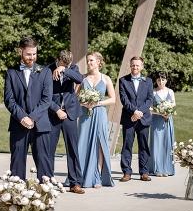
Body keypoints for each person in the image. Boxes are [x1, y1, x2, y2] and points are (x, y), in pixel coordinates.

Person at [4, 37, 53, 182]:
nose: (32, 57)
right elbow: (9, 100)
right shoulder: (11, 73)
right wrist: (23, 118)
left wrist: (32, 117)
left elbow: (47, 99)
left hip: (41, 125)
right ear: (20, 51)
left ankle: (46, 199)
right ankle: (17, 200)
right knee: (17, 164)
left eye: (34, 54)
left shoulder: (45, 72)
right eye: (28, 54)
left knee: (44, 164)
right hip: (18, 125)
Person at [48, 50, 85, 194]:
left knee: (73, 149)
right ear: (57, 60)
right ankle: (48, 181)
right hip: (53, 114)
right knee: (49, 149)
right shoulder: (47, 70)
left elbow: (79, 79)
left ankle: (75, 182)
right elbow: (44, 95)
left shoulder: (72, 69)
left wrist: (64, 69)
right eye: (63, 64)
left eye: (68, 65)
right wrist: (56, 109)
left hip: (70, 114)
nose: (67, 67)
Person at [77, 52, 116, 188]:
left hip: (99, 113)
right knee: (83, 142)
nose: (88, 63)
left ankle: (97, 177)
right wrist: (84, 103)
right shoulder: (81, 78)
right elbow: (75, 98)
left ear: (99, 62)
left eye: (91, 61)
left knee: (100, 145)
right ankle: (80, 175)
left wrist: (97, 103)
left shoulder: (106, 79)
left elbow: (113, 99)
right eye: (87, 61)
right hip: (84, 114)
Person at [119, 56, 154, 182]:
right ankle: (126, 172)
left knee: (143, 145)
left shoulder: (148, 81)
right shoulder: (123, 80)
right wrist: (134, 111)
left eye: (137, 65)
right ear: (130, 65)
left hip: (144, 118)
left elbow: (150, 99)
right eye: (133, 65)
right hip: (129, 118)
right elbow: (124, 99)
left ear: (142, 66)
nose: (135, 67)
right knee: (127, 145)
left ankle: (144, 172)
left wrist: (140, 113)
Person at [149, 71, 175, 177]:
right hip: (156, 120)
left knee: (167, 143)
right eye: (159, 80)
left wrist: (168, 112)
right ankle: (157, 168)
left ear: (166, 80)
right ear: (156, 81)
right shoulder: (153, 92)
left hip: (168, 120)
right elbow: (149, 108)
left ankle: (167, 168)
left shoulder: (170, 91)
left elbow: (173, 104)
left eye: (163, 79)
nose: (161, 82)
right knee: (157, 144)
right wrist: (160, 112)